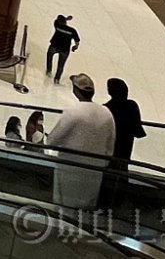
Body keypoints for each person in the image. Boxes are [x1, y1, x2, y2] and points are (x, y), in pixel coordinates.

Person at [47, 74, 118, 209]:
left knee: (66, 205)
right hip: (95, 169)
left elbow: (52, 140)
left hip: (70, 167)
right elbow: (110, 143)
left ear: (76, 91)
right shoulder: (106, 113)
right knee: (87, 204)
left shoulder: (73, 112)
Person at [103, 77, 146, 204]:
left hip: (109, 150)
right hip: (125, 150)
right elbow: (138, 131)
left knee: (108, 176)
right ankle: (119, 201)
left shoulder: (106, 109)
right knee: (122, 174)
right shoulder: (131, 106)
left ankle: (107, 201)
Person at [47, 14, 81, 79]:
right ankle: (57, 79)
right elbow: (77, 41)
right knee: (61, 65)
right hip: (65, 49)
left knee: (49, 57)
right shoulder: (72, 30)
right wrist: (75, 47)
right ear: (65, 22)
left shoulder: (57, 26)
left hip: (54, 46)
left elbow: (56, 21)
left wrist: (66, 18)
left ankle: (48, 72)